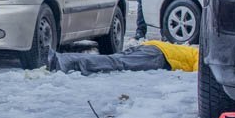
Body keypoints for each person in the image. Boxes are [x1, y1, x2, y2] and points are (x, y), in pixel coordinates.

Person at [48, 39, 198, 75]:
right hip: (160, 55)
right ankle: (65, 61)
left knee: (115, 59)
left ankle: (63, 58)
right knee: (117, 63)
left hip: (153, 48)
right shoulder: (203, 56)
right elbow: (202, 72)